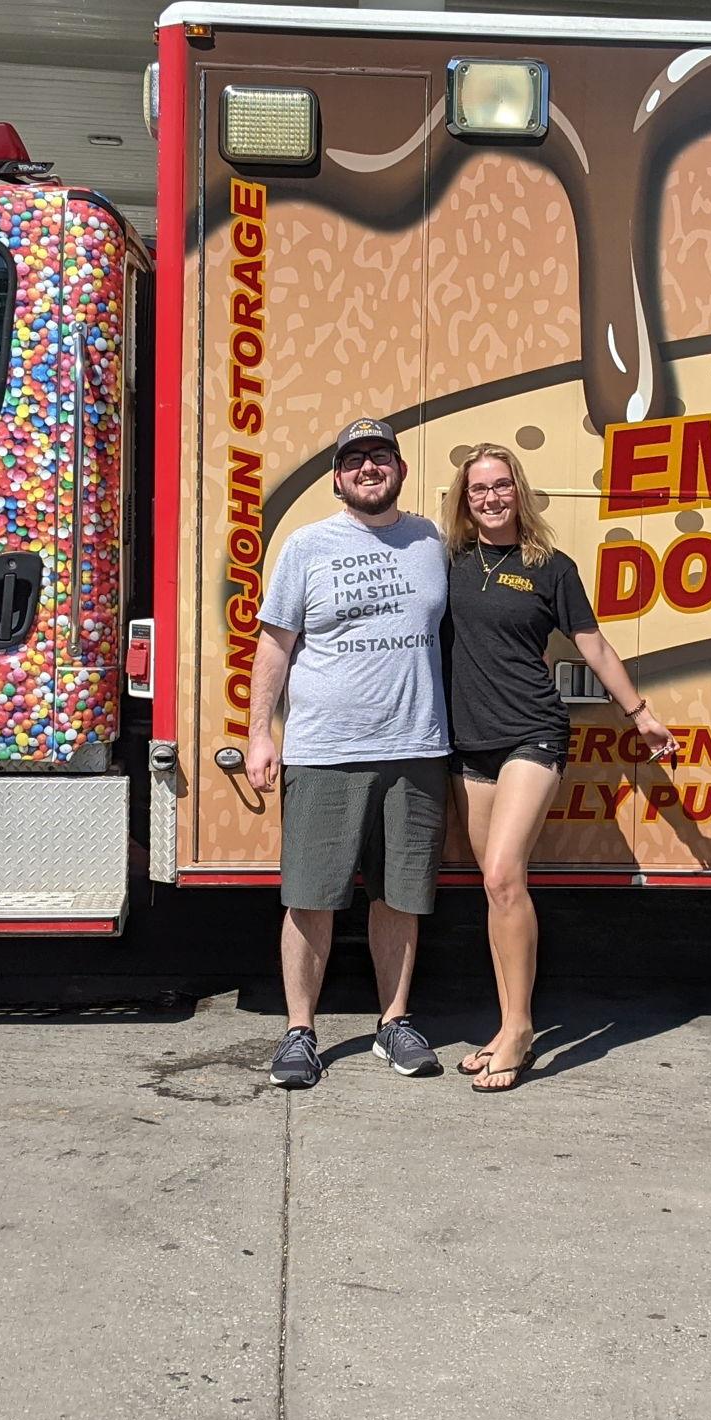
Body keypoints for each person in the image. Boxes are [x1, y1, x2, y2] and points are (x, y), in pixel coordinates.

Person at [443, 442, 676, 1091]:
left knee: (501, 875)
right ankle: (506, 1022)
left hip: (532, 736)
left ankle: (519, 1029)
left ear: (518, 491)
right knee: (495, 888)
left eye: (499, 486)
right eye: (477, 489)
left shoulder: (551, 567)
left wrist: (640, 714)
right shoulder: (450, 563)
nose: (489, 497)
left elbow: (594, 644)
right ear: (465, 500)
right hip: (469, 744)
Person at [246, 418, 450, 1089]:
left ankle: (394, 1023)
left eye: (380, 457)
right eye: (354, 459)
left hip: (416, 747)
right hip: (325, 750)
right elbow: (274, 645)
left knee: (400, 895)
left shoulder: (431, 542)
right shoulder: (307, 547)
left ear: (400, 469)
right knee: (311, 898)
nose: (368, 468)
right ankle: (299, 1032)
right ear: (337, 477)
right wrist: (259, 733)